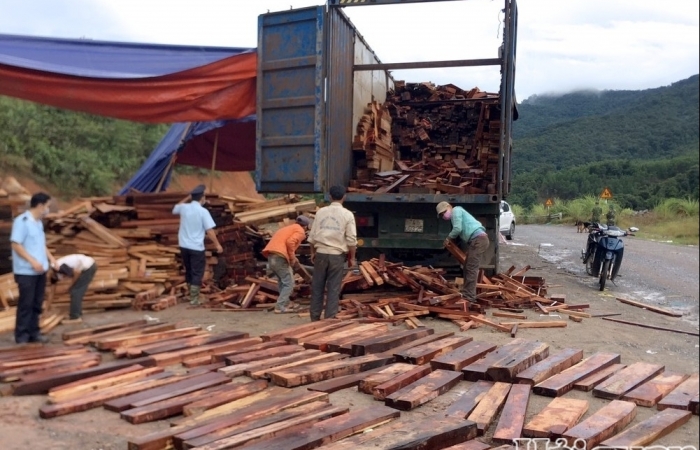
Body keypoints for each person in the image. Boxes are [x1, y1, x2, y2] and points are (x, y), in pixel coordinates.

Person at [10, 192, 57, 344]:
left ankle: (34, 333)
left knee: (37, 304)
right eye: (47, 206)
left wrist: (51, 259)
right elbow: (16, 244)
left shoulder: (38, 223)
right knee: (26, 304)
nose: (48, 210)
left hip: (40, 270)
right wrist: (32, 261)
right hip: (26, 271)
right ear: (40, 205)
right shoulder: (22, 222)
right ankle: (22, 336)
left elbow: (41, 244)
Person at [307, 186, 357, 321]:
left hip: (321, 253)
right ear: (344, 197)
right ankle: (329, 319)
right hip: (337, 256)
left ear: (330, 197)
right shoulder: (347, 215)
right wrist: (352, 258)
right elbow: (351, 240)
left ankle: (314, 318)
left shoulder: (321, 212)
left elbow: (312, 236)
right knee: (333, 288)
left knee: (317, 286)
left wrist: (313, 252)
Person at [172, 185, 223, 305]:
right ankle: (194, 299)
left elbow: (175, 208)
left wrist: (188, 197)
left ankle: (191, 294)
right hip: (196, 247)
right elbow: (209, 231)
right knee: (197, 272)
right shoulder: (203, 212)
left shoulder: (184, 208)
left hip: (184, 246)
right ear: (202, 198)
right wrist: (217, 245)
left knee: (189, 270)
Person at [436, 201, 489, 303]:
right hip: (477, 241)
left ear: (449, 206)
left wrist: (448, 239)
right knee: (467, 267)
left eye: (444, 212)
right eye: (442, 214)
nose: (444, 215)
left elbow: (457, 229)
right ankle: (467, 294)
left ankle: (469, 297)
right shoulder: (456, 213)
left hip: (479, 240)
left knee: (471, 268)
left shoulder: (456, 210)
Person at [262, 215, 311, 314]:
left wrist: (293, 257)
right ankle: (280, 307)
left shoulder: (288, 228)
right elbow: (290, 242)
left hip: (272, 256)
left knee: (282, 282)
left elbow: (284, 243)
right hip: (280, 257)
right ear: (305, 226)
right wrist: (292, 258)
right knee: (289, 283)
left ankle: (285, 303)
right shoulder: (300, 231)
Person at [47, 254, 97, 324]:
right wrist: (47, 309)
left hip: (88, 267)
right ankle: (77, 313)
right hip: (86, 267)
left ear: (49, 270)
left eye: (47, 274)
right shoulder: (53, 275)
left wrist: (70, 286)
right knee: (75, 291)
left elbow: (77, 272)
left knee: (75, 292)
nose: (47, 276)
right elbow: (51, 293)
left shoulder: (58, 267)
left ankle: (75, 317)